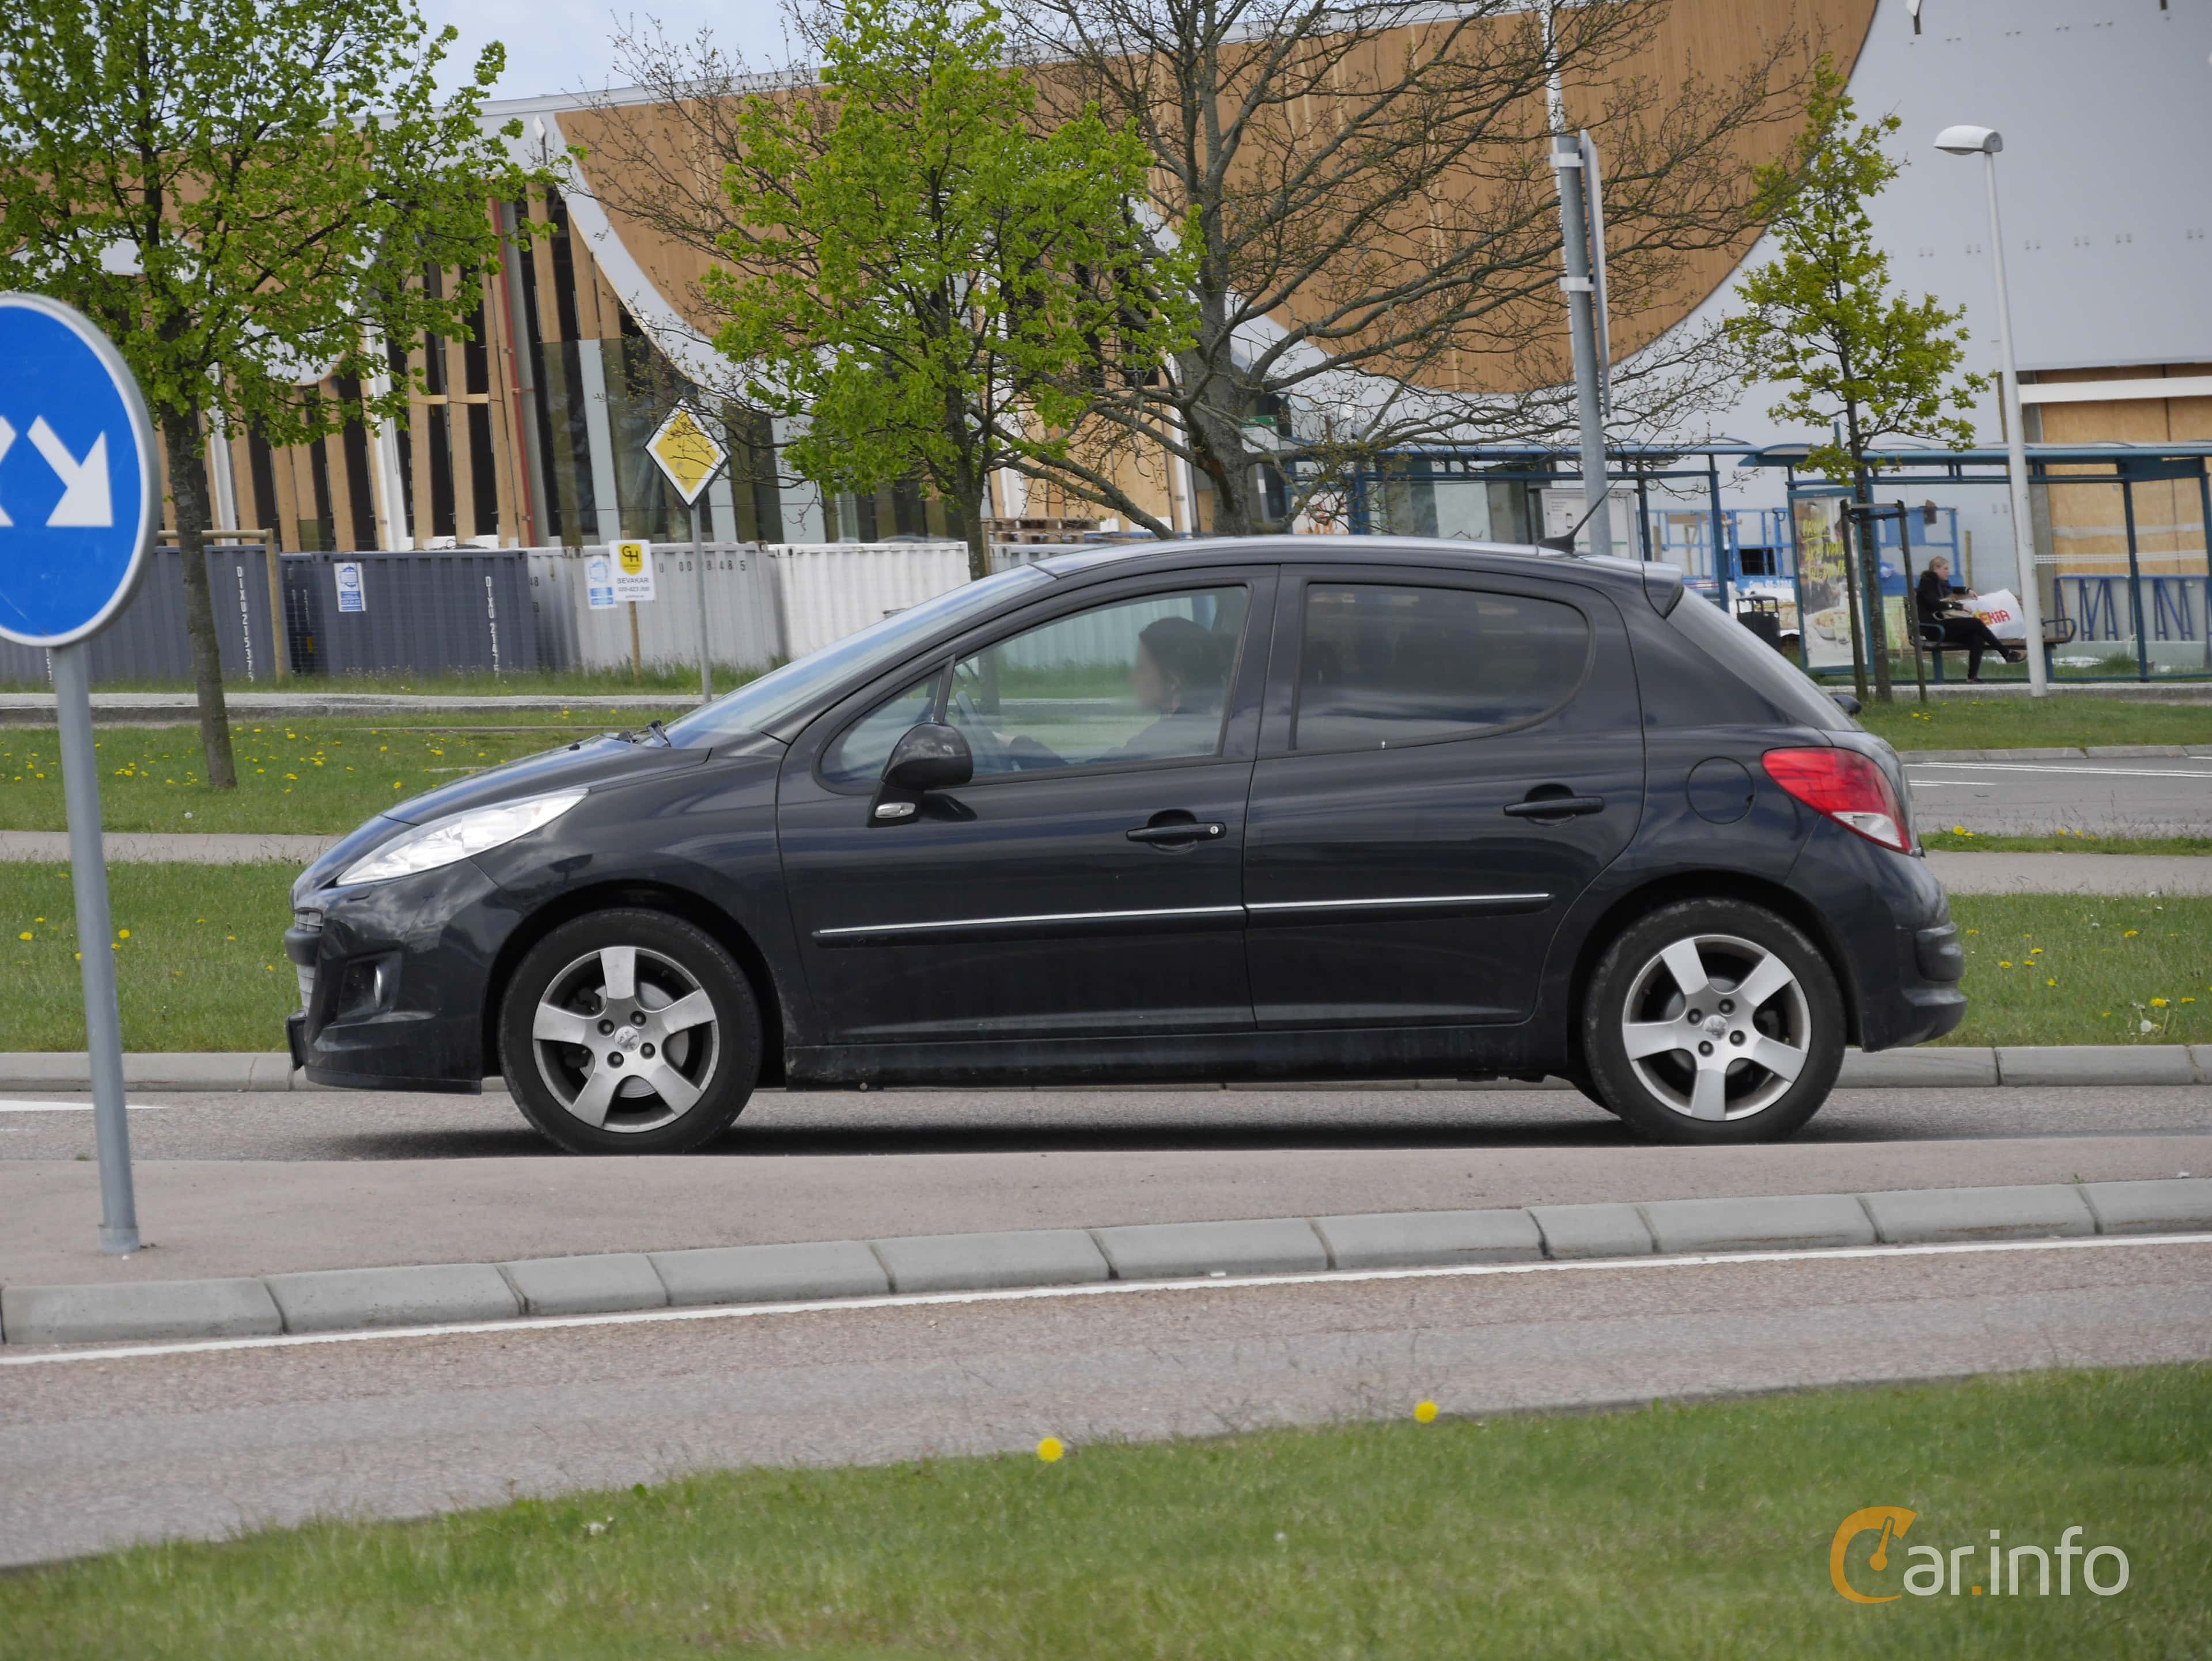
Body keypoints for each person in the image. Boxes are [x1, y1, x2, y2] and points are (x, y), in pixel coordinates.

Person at [1915, 556, 2024, 682]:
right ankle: (2006, 654)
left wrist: (1967, 590)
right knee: (1976, 623)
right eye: (1945, 569)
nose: (1948, 572)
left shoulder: (1937, 583)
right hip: (1934, 628)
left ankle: (1972, 678)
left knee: (1977, 638)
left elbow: (1951, 590)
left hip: (1942, 625)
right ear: (1936, 569)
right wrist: (1958, 606)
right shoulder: (1927, 582)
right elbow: (1933, 603)